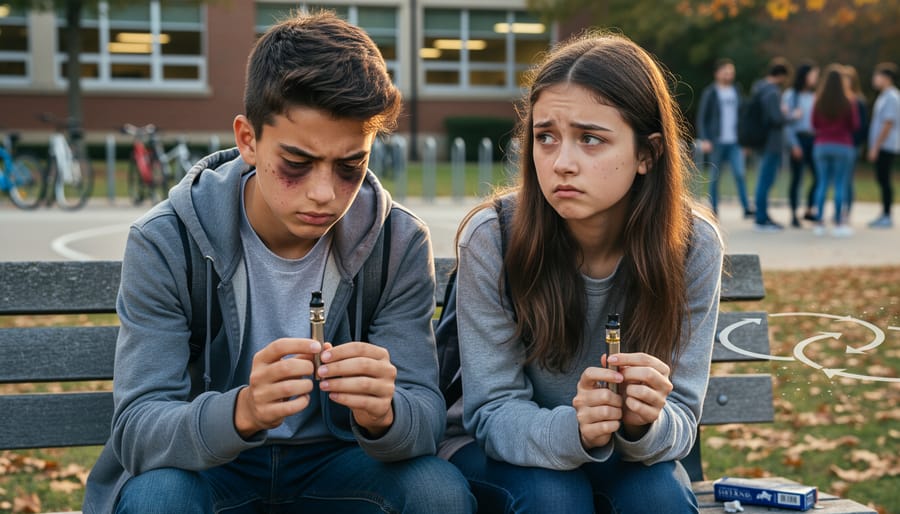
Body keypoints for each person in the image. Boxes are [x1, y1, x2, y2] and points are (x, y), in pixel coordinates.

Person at [83, 12, 475, 514]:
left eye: (350, 166)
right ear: (247, 140)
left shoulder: (396, 239)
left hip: (340, 465)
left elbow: (424, 418)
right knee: (158, 497)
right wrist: (242, 411)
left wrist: (385, 415)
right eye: (296, 164)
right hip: (211, 469)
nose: (324, 194)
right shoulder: (167, 240)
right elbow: (138, 430)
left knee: (435, 490)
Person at [440, 32, 724, 513]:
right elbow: (491, 411)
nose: (562, 163)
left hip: (625, 457)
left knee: (660, 499)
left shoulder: (692, 245)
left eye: (590, 139)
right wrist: (576, 430)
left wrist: (641, 423)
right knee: (554, 497)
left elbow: (680, 417)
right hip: (502, 448)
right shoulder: (495, 238)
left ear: (647, 154)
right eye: (545, 137)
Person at [696, 58, 754, 218]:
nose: (729, 75)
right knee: (715, 176)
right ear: (717, 73)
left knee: (740, 173)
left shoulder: (736, 90)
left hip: (735, 142)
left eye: (731, 72)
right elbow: (702, 117)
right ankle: (713, 209)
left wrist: (745, 140)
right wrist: (705, 138)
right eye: (725, 72)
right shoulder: (711, 92)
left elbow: (743, 116)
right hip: (717, 142)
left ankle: (746, 207)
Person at [810, 64, 859, 237]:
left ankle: (819, 222)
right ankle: (839, 223)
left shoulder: (819, 100)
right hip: (842, 145)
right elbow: (854, 125)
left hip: (822, 145)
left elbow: (814, 124)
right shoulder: (849, 100)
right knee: (840, 184)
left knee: (822, 183)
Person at [752, 58, 794, 232]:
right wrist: (791, 115)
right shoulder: (772, 92)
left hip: (762, 141)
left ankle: (762, 215)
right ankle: (761, 218)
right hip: (772, 143)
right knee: (766, 180)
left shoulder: (759, 88)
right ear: (781, 76)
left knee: (764, 179)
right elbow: (775, 119)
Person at [783, 61, 820, 227]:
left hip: (814, 139)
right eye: (814, 74)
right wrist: (794, 145)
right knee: (797, 178)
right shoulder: (791, 95)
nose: (816, 78)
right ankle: (793, 213)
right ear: (805, 75)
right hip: (798, 139)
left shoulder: (814, 96)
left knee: (818, 176)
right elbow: (787, 123)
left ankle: (810, 209)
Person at [867, 62, 900, 229]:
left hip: (886, 145)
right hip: (883, 145)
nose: (874, 79)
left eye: (877, 76)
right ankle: (884, 213)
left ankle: (887, 215)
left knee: (885, 180)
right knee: (882, 179)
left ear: (886, 78)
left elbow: (888, 123)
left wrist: (876, 146)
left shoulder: (892, 97)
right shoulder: (884, 96)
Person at [840, 64, 868, 224]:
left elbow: (862, 127)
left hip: (851, 145)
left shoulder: (858, 101)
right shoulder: (839, 100)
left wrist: (855, 144)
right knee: (840, 179)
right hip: (841, 144)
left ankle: (846, 210)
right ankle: (840, 208)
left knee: (847, 179)